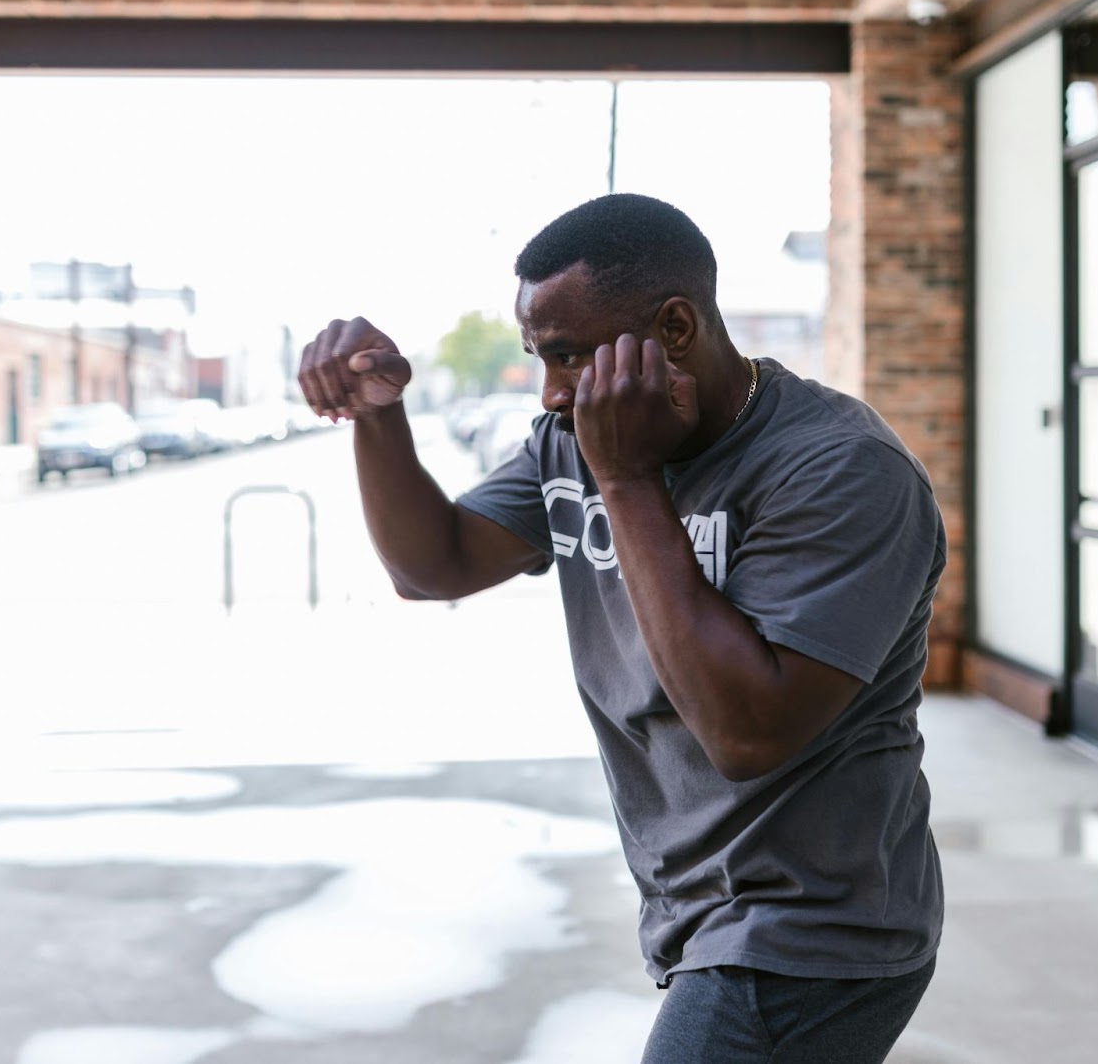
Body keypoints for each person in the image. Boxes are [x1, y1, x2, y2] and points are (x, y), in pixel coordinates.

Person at [298, 193, 945, 1064]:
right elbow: (434, 565)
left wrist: (628, 483)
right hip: (697, 911)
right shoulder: (574, 443)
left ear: (674, 327)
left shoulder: (839, 469)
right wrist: (378, 417)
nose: (553, 392)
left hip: (816, 928)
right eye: (538, 357)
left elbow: (748, 731)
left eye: (567, 356)